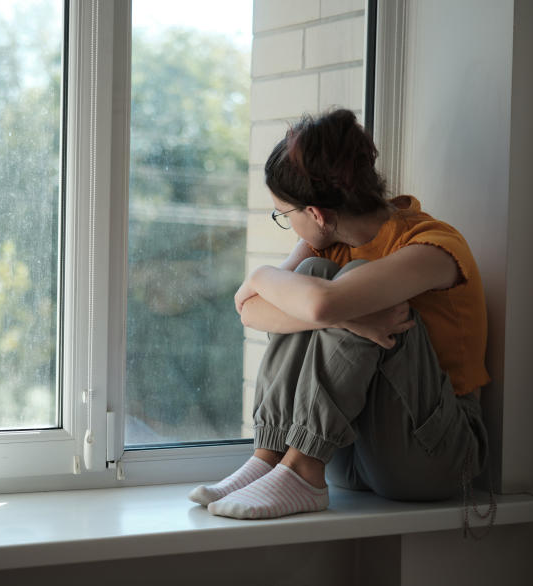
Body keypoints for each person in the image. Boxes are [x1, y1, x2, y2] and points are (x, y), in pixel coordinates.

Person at [188, 109, 493, 531]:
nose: (288, 224)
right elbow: (252, 310)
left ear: (316, 214)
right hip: (353, 452)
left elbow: (317, 305)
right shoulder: (325, 246)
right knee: (314, 281)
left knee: (348, 290)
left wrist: (262, 276)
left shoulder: (433, 248)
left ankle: (302, 470)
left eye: (284, 214)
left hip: (436, 457)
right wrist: (343, 320)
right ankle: (272, 457)